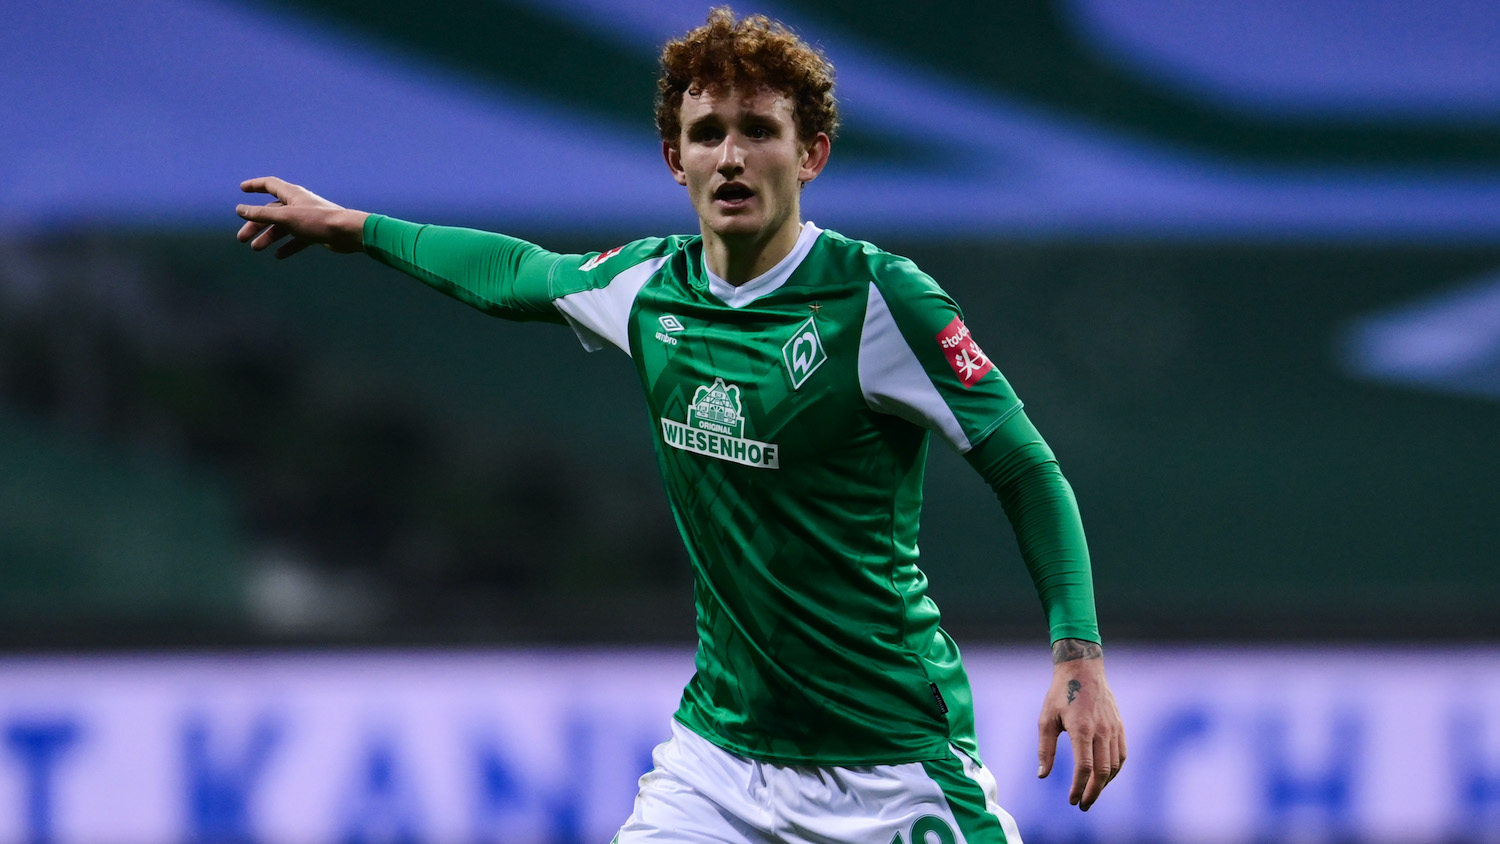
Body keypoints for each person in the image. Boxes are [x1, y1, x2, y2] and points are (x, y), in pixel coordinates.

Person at [235, 8, 1124, 843]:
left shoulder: (879, 301)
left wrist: (1077, 657)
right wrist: (356, 226)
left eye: (759, 131)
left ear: (810, 153)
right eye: (708, 134)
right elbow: (513, 273)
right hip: (720, 765)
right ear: (675, 157)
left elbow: (1027, 471)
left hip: (888, 762)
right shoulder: (649, 289)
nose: (732, 157)